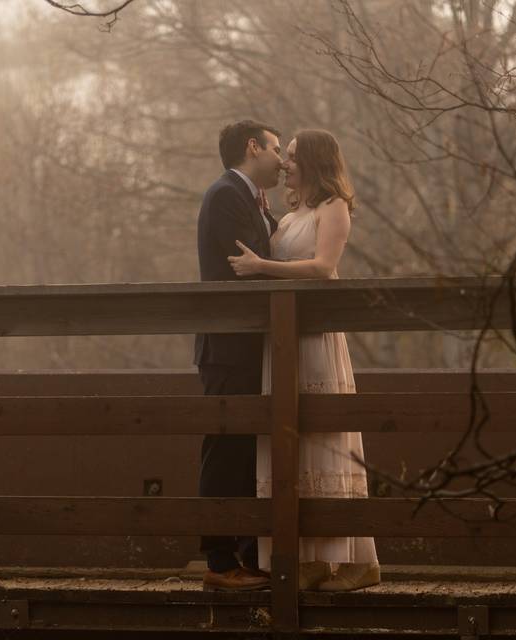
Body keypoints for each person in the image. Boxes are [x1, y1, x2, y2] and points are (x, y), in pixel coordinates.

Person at [229, 129, 380, 592]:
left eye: (292, 157)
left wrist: (262, 268)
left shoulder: (334, 208)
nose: (285, 164)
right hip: (285, 339)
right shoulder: (292, 214)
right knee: (293, 443)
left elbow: (321, 267)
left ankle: (358, 563)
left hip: (315, 338)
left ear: (313, 161)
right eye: (285, 155)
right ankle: (311, 559)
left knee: (325, 437)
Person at [194, 120, 284, 592]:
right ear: (253, 147)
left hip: (250, 344)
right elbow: (243, 264)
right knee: (226, 448)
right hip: (229, 346)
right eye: (275, 148)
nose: (282, 160)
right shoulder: (226, 194)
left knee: (249, 450)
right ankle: (220, 560)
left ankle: (247, 555)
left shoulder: (249, 199)